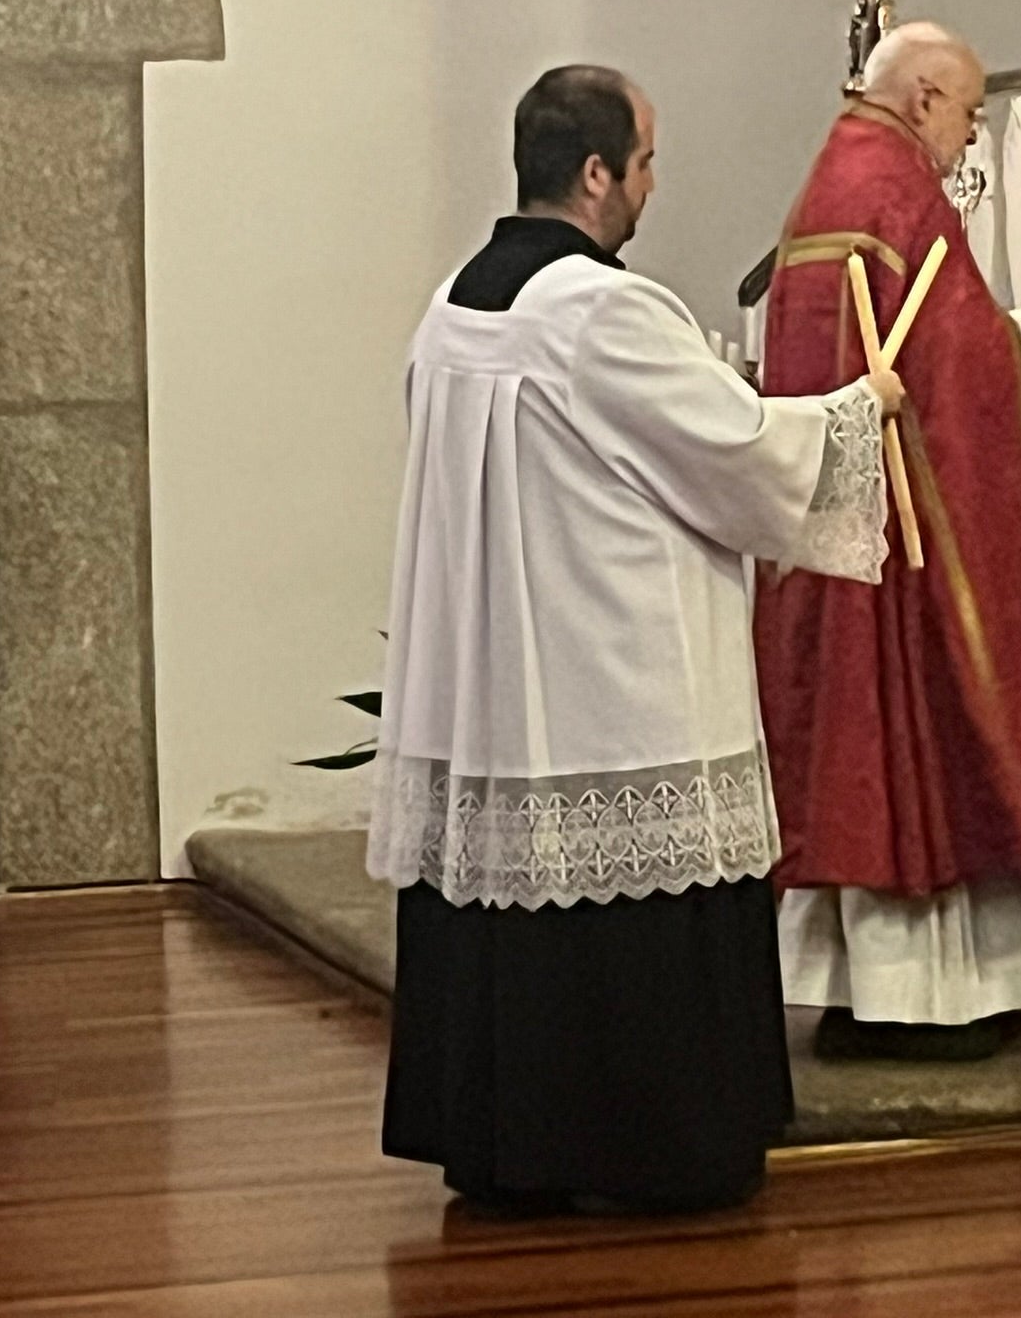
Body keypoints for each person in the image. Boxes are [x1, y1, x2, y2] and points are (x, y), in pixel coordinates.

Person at [366, 64, 902, 1214]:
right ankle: (656, 1149)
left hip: (503, 674)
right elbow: (735, 450)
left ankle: (507, 1145)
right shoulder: (599, 308)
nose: (655, 181)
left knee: (517, 920)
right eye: (647, 159)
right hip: (608, 668)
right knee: (632, 918)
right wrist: (863, 410)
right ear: (597, 171)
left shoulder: (459, 297)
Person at [754, 23, 1021, 1063]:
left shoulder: (829, 184)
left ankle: (853, 990)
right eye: (966, 115)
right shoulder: (897, 191)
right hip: (905, 540)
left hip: (839, 531)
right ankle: (928, 1002)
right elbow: (951, 357)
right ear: (921, 97)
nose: (968, 143)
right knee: (925, 740)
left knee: (853, 758)